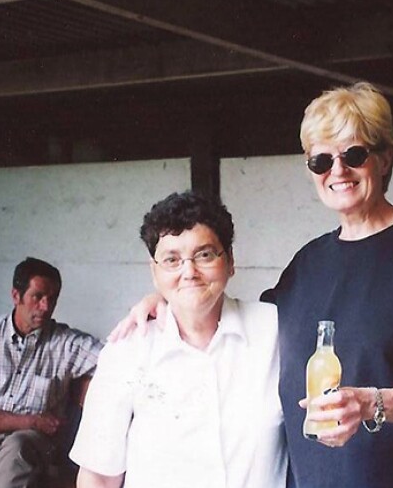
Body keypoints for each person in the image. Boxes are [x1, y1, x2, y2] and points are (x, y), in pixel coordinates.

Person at [115, 82, 393, 487]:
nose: (338, 171)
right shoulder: (306, 264)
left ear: (385, 158)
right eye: (321, 161)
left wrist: (369, 403)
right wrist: (171, 298)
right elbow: (232, 319)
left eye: (354, 155)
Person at [70, 191, 285, 488]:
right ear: (154, 272)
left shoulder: (274, 330)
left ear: (230, 261)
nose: (189, 272)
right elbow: (99, 476)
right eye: (172, 259)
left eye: (205, 255)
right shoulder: (127, 350)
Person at [0, 257, 102, 488]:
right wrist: (32, 420)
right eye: (38, 297)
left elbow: (117, 359)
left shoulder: (66, 343)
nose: (46, 307)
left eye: (52, 299)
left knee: (18, 447)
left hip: (39, 444)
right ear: (16, 296)